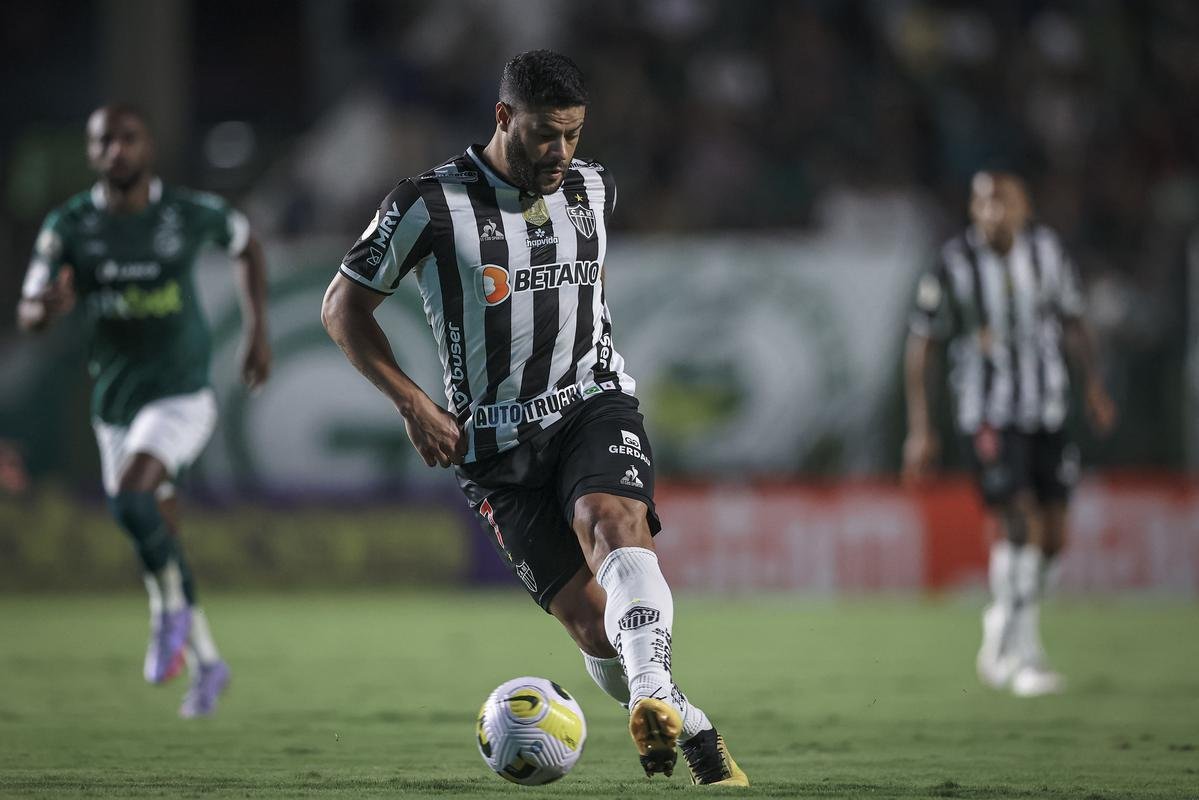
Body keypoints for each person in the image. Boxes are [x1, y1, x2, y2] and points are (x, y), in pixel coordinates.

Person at [322, 50, 747, 785]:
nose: (560, 153)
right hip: (492, 449)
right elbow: (341, 307)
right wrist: (414, 403)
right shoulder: (425, 203)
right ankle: (693, 726)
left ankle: (652, 696)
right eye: (545, 134)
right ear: (502, 117)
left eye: (573, 134)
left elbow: (588, 287)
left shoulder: (592, 189)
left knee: (611, 518)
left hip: (591, 403)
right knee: (593, 629)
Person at [17, 104, 271, 717]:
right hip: (115, 403)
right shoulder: (69, 226)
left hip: (182, 393)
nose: (116, 152)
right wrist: (46, 308)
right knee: (156, 530)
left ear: (147, 147)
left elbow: (246, 245)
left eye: (127, 140)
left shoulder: (186, 212)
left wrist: (258, 331)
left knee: (132, 499)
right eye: (104, 142)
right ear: (91, 151)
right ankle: (209, 664)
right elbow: (28, 310)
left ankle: (165, 618)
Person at [903, 171, 1116, 697]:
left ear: (1025, 207)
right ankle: (1024, 655)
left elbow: (1073, 320)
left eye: (1005, 201)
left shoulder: (1048, 253)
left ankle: (1002, 623)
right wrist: (921, 429)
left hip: (1047, 410)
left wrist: (1093, 386)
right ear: (973, 210)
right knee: (1019, 523)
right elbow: (922, 346)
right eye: (984, 202)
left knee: (1054, 537)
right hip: (988, 414)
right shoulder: (952, 263)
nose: (995, 211)